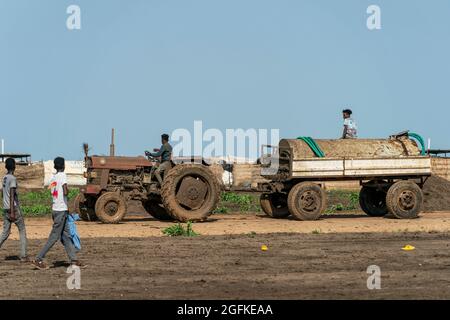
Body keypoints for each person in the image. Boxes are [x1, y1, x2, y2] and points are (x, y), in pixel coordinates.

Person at [32, 157, 86, 270]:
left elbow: (53, 191)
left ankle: (74, 260)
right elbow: (65, 191)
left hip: (56, 209)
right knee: (54, 237)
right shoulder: (62, 176)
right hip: (61, 210)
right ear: (63, 166)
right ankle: (38, 259)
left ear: (55, 166)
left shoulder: (53, 178)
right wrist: (68, 192)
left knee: (66, 236)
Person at [0, 158, 28, 262]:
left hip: (5, 208)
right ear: (14, 167)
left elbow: (3, 193)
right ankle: (24, 256)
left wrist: (6, 206)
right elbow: (12, 195)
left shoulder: (5, 178)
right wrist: (12, 211)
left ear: (6, 167)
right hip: (13, 209)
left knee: (5, 233)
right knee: (22, 230)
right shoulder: (12, 179)